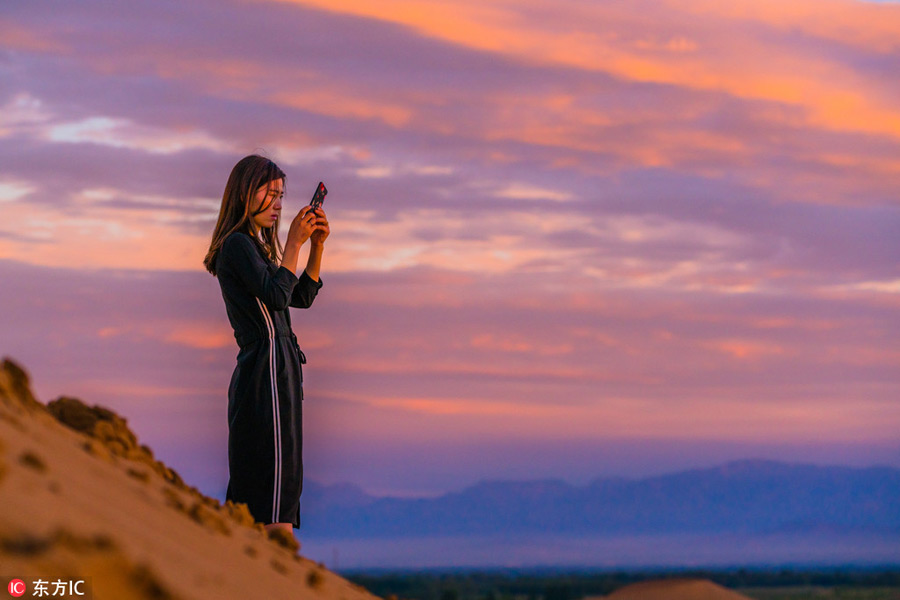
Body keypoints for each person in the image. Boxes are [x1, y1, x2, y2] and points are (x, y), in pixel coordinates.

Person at [203, 154, 330, 537]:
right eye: (269, 194)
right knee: (273, 499)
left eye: (280, 196)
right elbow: (276, 295)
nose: (277, 204)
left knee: (276, 486)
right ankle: (275, 565)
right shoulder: (237, 245)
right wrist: (292, 243)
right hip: (266, 373)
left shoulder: (254, 248)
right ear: (245, 194)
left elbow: (299, 297)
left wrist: (316, 246)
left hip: (277, 370)